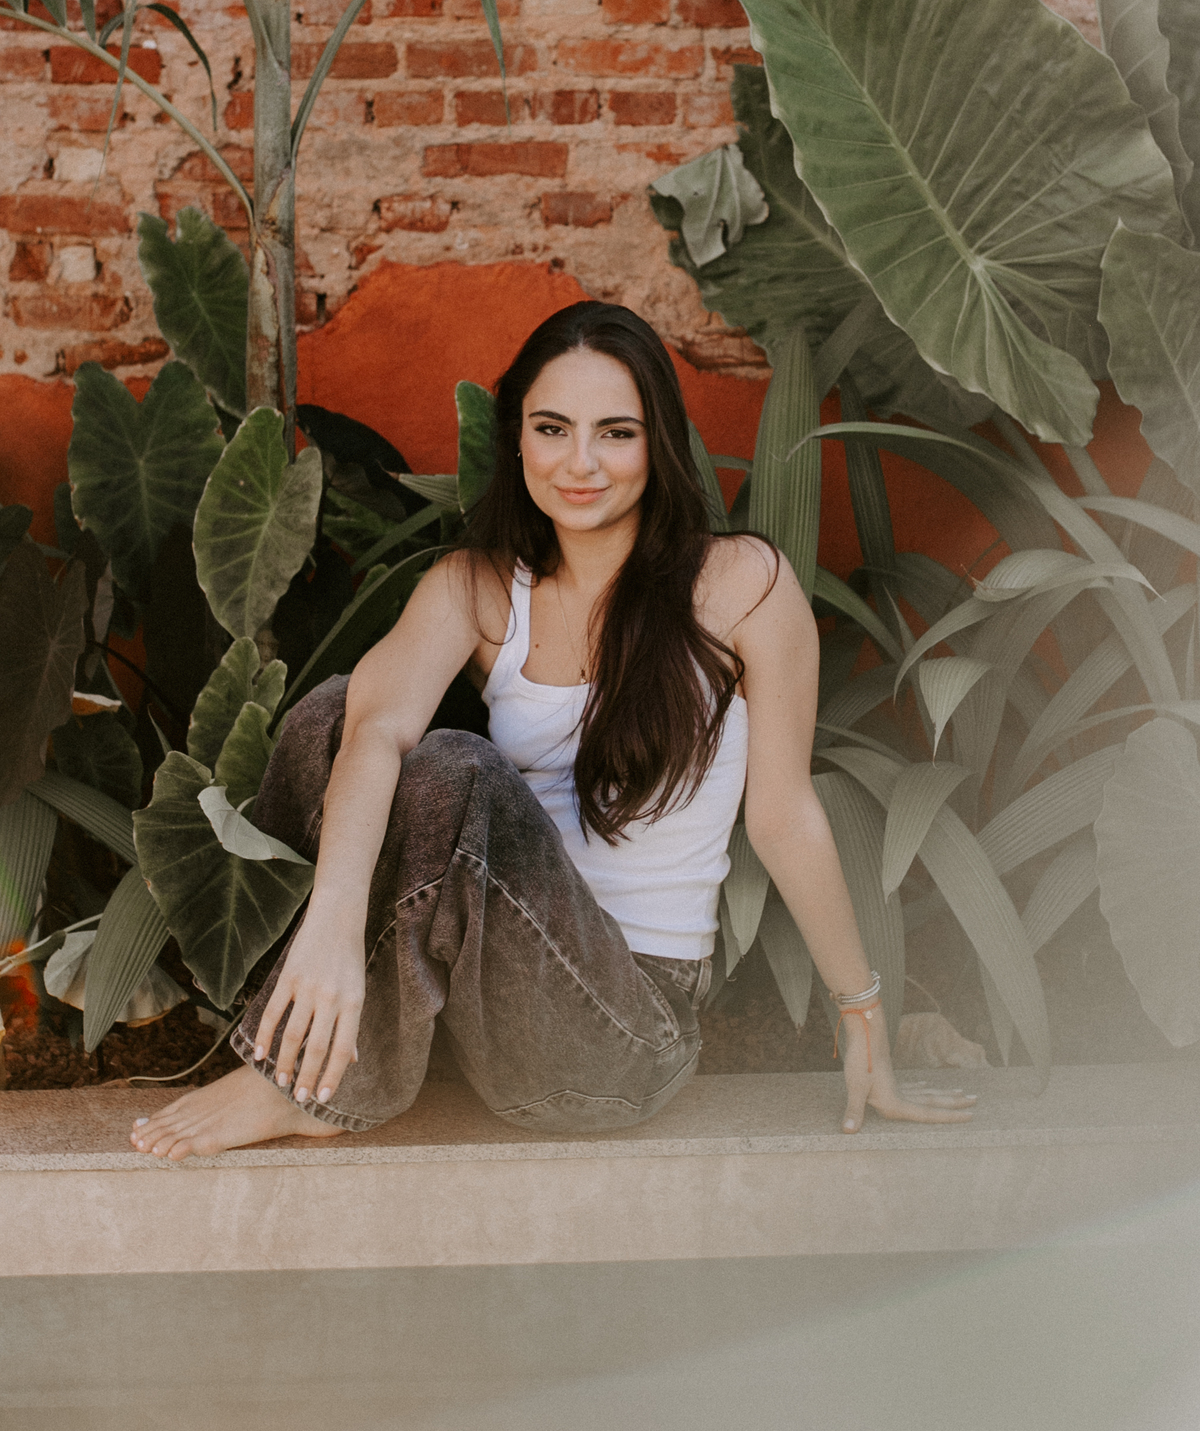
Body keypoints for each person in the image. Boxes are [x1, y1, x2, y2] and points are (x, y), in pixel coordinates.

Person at [130, 303, 974, 1160]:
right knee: (334, 717)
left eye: (616, 433)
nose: (580, 463)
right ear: (518, 440)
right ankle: (314, 1047)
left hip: (626, 1030)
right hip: (488, 1009)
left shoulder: (740, 584)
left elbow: (784, 816)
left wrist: (864, 1011)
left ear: (658, 443)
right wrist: (334, 926)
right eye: (552, 428)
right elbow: (374, 728)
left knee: (456, 767)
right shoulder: (478, 588)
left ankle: (303, 1084)